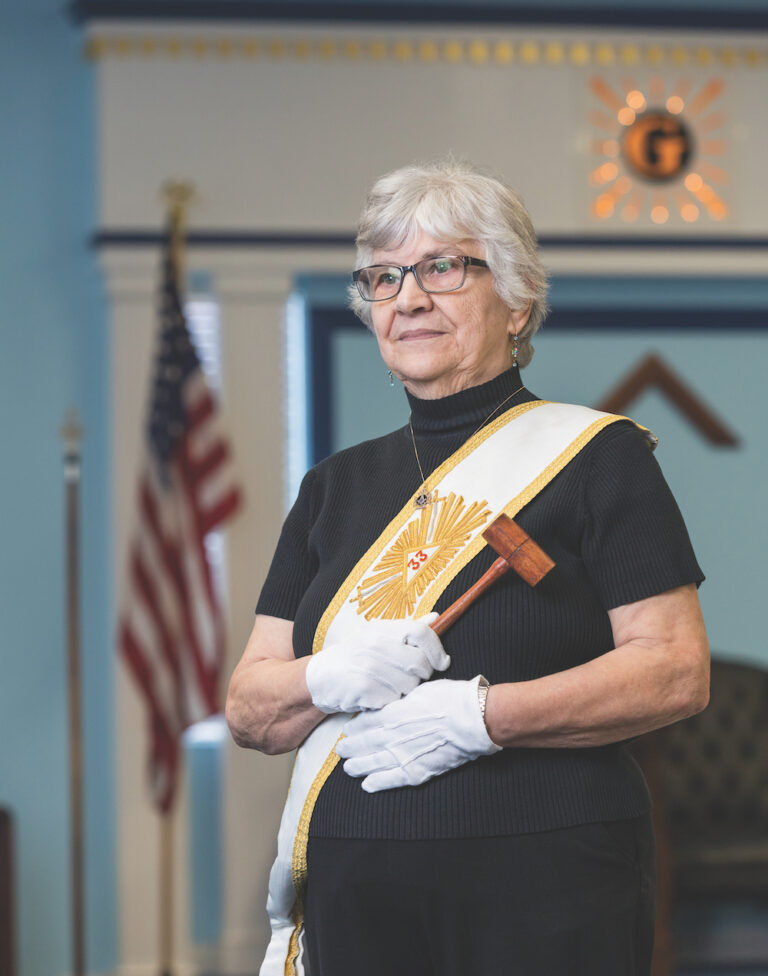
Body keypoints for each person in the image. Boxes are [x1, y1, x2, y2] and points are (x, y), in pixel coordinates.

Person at [226, 157, 709, 976]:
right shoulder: (333, 487)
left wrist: (483, 718)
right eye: (383, 278)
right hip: (354, 880)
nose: (408, 297)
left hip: (547, 878)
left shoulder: (600, 460)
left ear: (518, 300)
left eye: (442, 268)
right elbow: (250, 709)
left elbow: (674, 672)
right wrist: (328, 676)